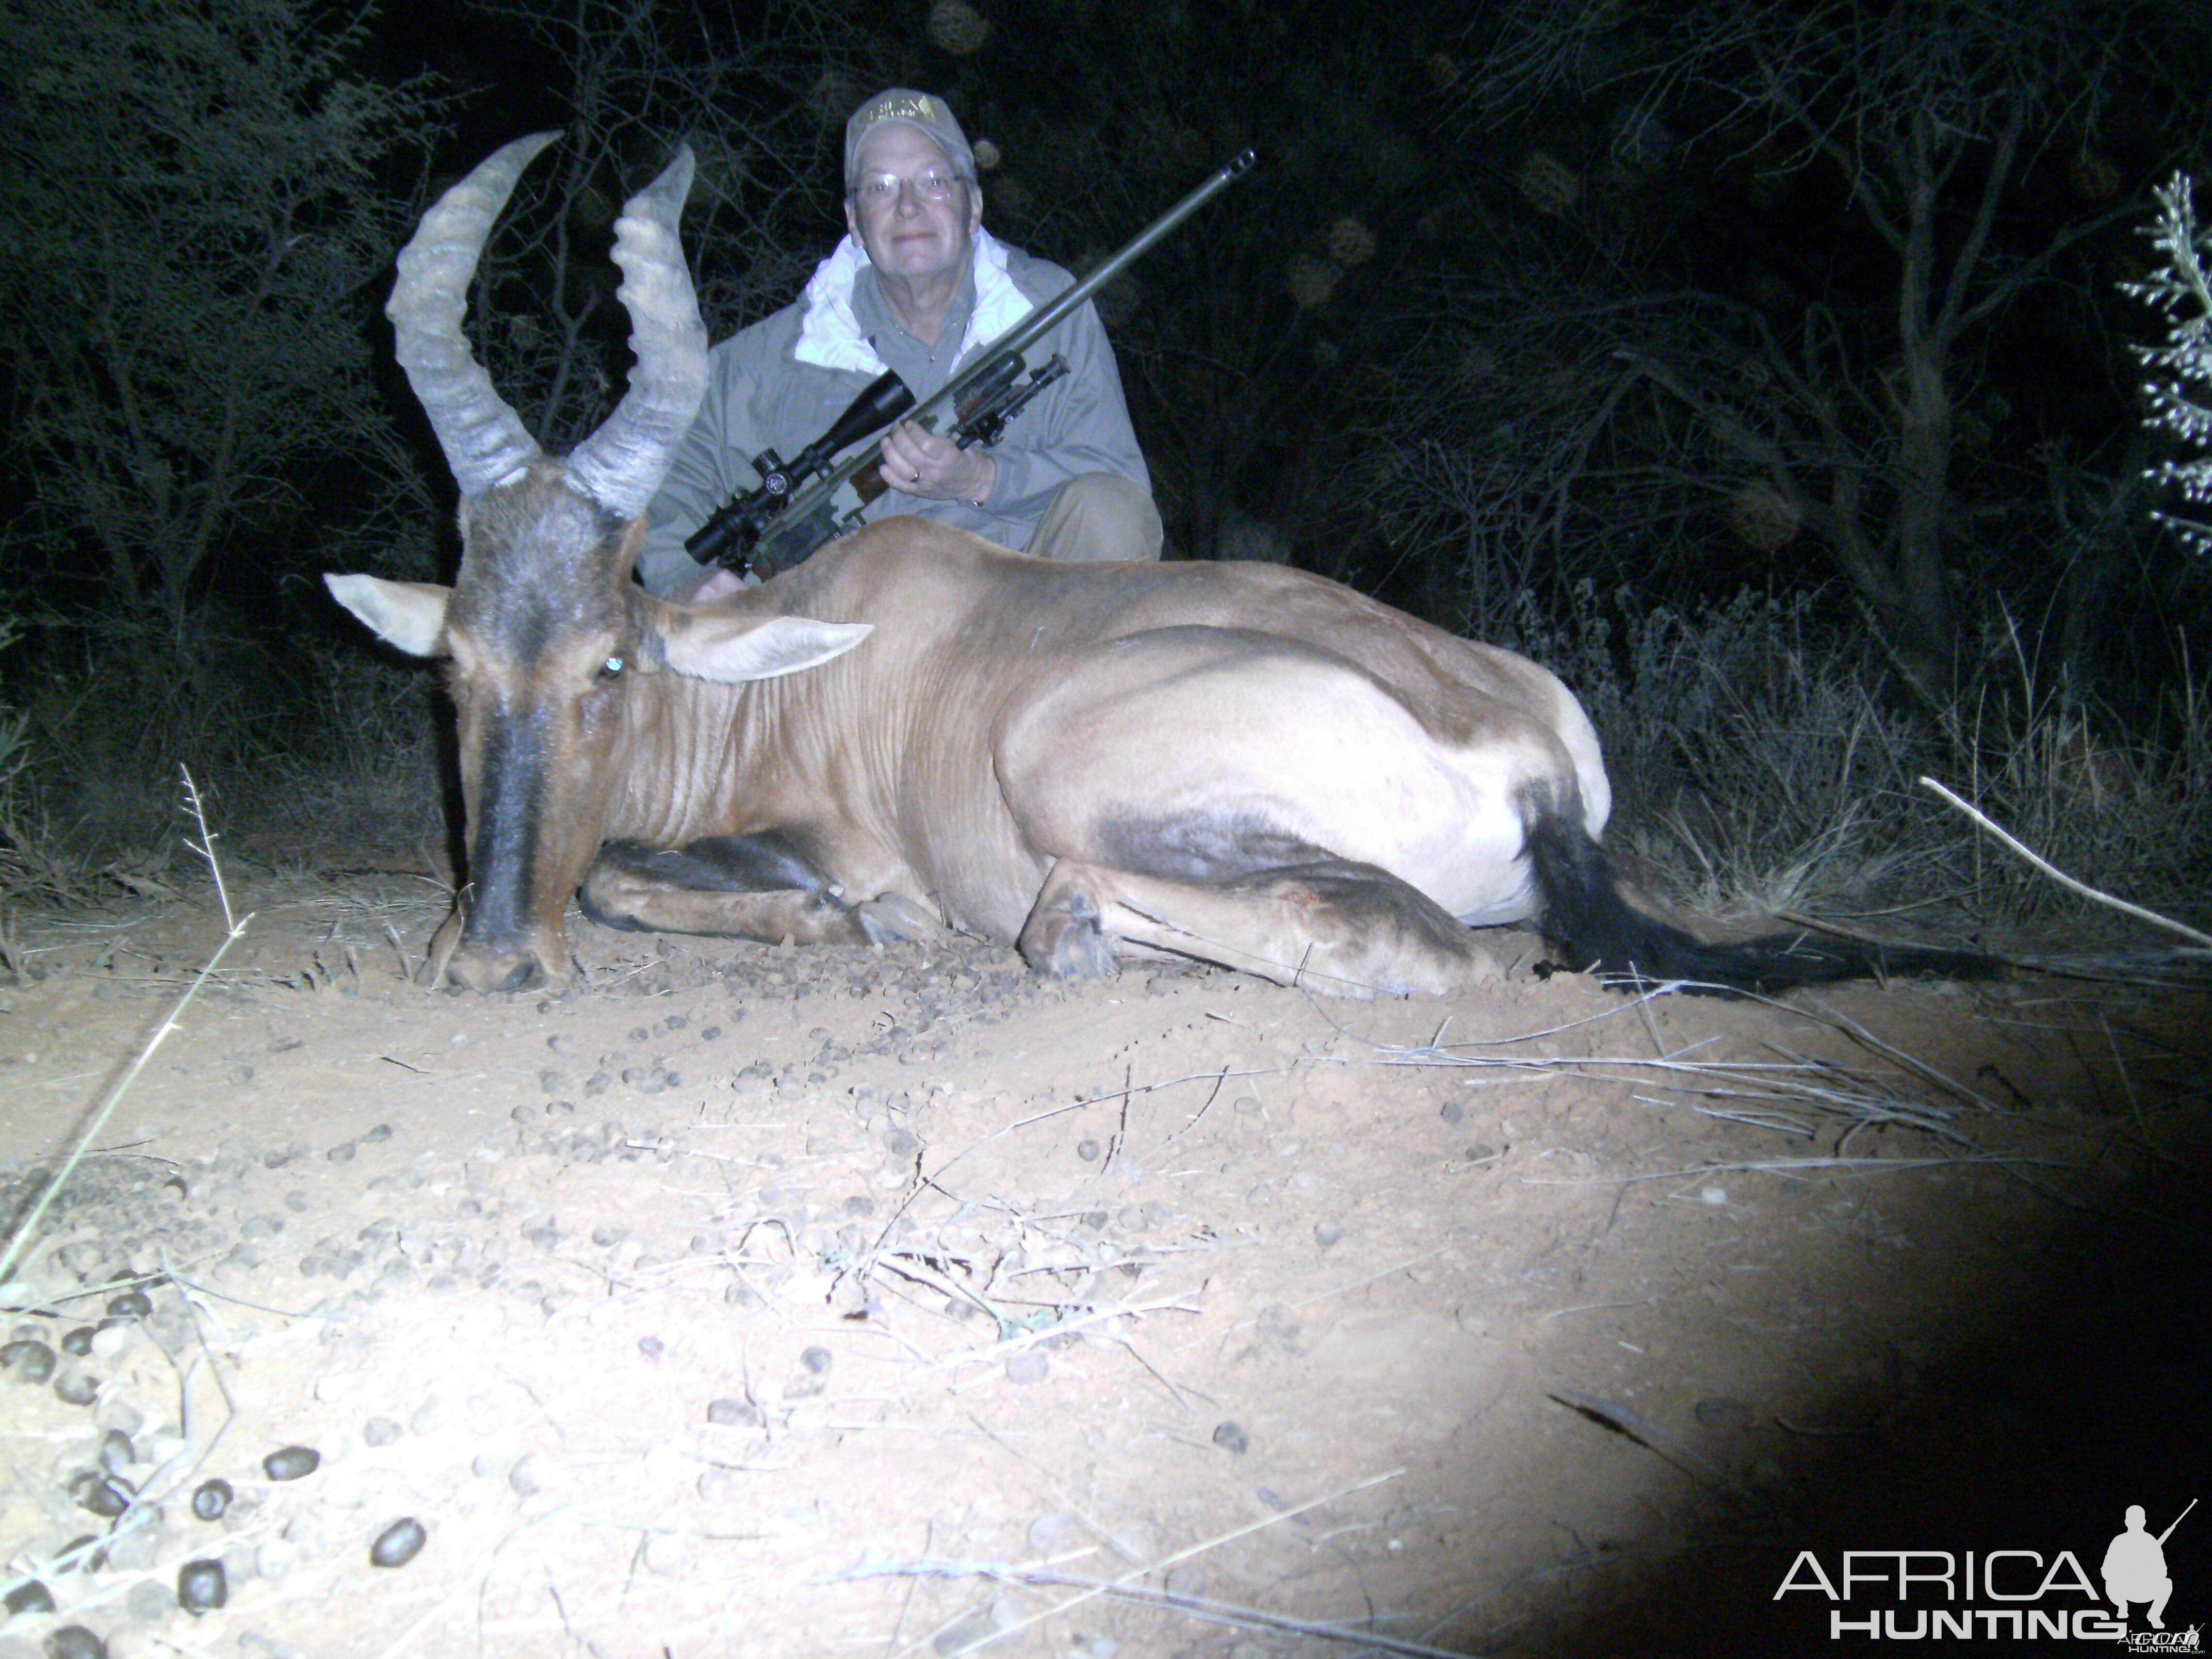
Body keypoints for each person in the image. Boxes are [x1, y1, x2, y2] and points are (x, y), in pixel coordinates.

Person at [636, 88, 1162, 602]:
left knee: (1109, 511)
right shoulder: (760, 362)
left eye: (933, 181)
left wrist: (981, 478)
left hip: (1026, 626)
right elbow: (665, 493)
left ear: (973, 205)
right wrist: (684, 584)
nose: (908, 207)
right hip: (858, 646)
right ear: (854, 221)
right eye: (880, 188)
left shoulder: (1051, 308)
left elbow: (1119, 474)